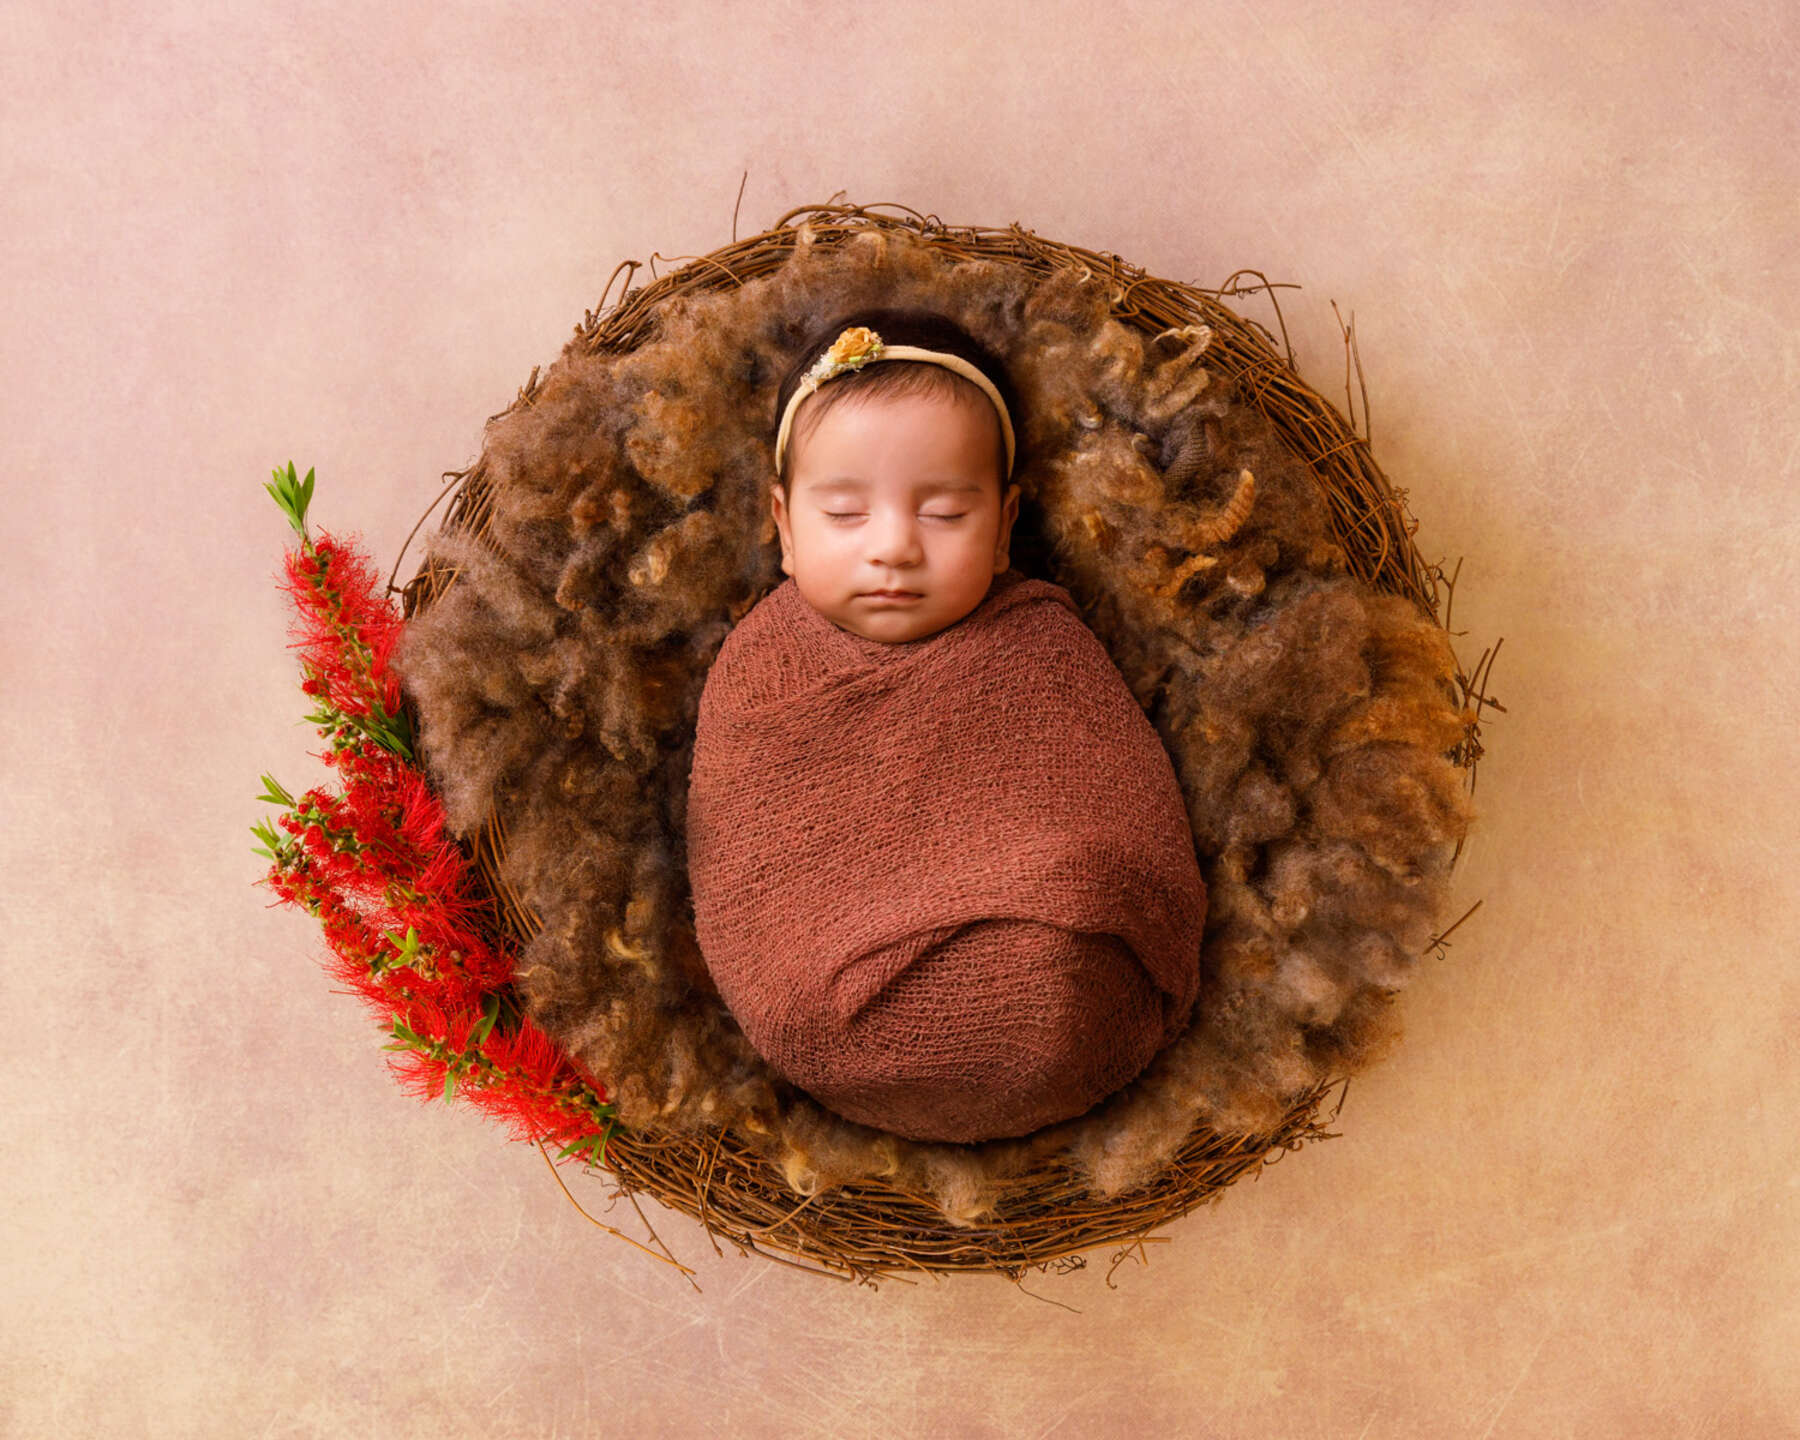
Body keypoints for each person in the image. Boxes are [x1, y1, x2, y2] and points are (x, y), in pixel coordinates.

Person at [767, 309, 1024, 644]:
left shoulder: (1051, 649)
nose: (893, 549)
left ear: (1002, 529)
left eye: (943, 513)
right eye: (843, 511)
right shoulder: (753, 656)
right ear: (786, 529)